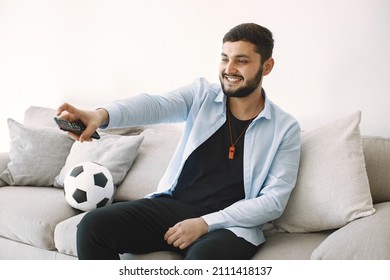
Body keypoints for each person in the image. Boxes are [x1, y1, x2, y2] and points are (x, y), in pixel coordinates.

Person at [57, 23, 301, 260]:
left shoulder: (284, 128)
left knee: (203, 259)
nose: (229, 68)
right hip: (173, 206)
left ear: (266, 66)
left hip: (230, 226)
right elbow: (154, 105)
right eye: (225, 58)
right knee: (93, 227)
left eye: (242, 60)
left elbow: (273, 202)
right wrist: (99, 116)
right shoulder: (202, 95)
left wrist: (206, 223)